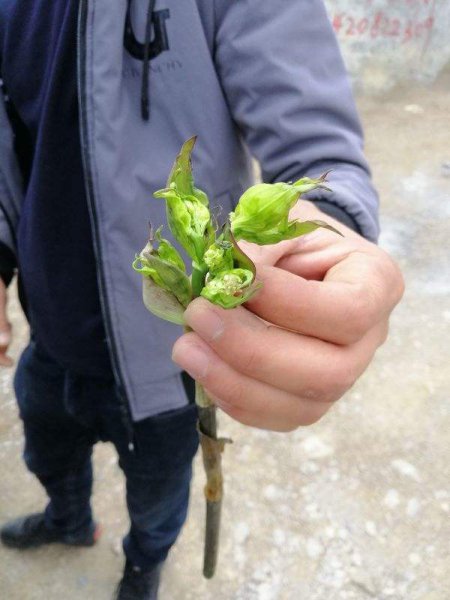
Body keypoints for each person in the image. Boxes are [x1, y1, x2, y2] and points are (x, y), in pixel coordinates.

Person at [0, 1, 404, 599]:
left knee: (159, 496)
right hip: (51, 335)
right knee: (49, 455)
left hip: (172, 363)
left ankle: (144, 567)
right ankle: (69, 519)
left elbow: (319, 153)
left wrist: (331, 232)